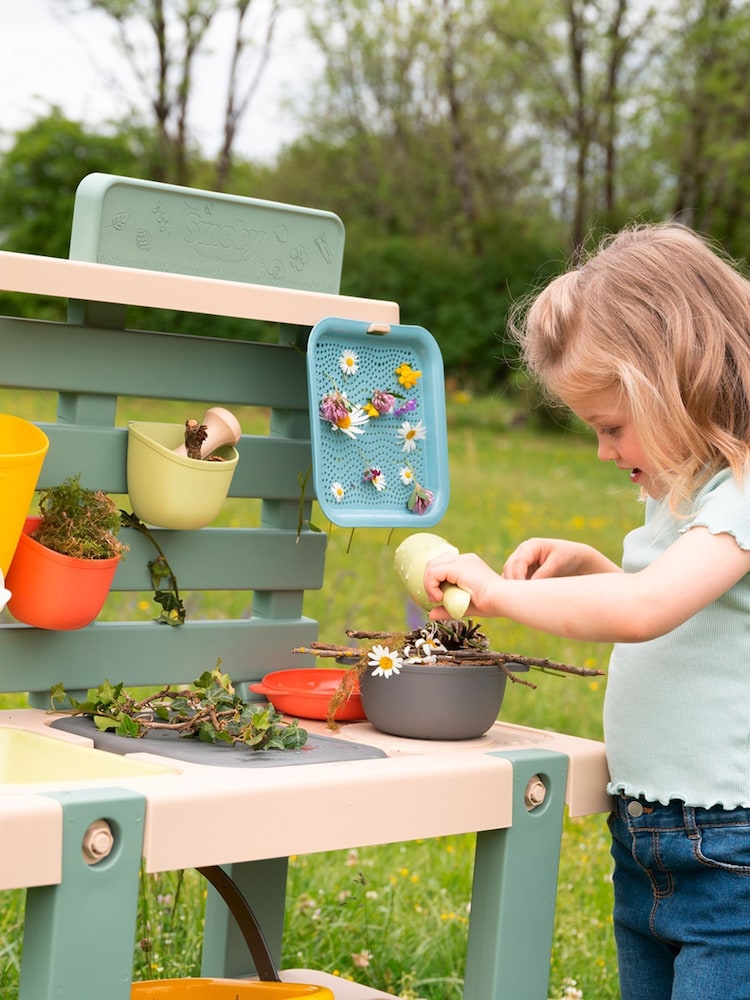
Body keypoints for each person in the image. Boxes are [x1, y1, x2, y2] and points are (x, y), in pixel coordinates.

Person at [422, 222, 750, 1000]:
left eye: (611, 427)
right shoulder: (686, 497)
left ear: (673, 383)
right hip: (646, 838)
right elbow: (681, 613)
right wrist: (594, 565)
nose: (604, 452)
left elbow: (646, 609)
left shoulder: (743, 493)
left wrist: (499, 594)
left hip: (728, 852)